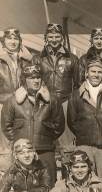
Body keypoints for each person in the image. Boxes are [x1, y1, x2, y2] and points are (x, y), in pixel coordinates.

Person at [67, 58, 102, 192]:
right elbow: (72, 121)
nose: (96, 75)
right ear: (86, 73)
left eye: (99, 72)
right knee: (86, 181)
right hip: (85, 145)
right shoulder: (75, 96)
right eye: (93, 71)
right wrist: (85, 135)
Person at [1, 64, 64, 182]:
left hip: (46, 151)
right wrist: (20, 142)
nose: (36, 80)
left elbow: (59, 125)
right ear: (24, 80)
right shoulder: (12, 101)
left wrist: (45, 138)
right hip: (23, 153)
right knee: (24, 186)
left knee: (49, 186)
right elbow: (6, 125)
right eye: (31, 78)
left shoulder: (52, 100)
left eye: (38, 77)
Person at [32, 23, 80, 167]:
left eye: (57, 36)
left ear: (62, 38)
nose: (54, 39)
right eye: (51, 36)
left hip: (65, 102)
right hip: (44, 103)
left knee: (67, 145)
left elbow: (78, 84)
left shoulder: (72, 58)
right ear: (46, 38)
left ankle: (68, 176)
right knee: (42, 139)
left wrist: (72, 103)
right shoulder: (37, 58)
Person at [0, 28, 34, 174]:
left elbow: (32, 81)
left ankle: (24, 177)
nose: (12, 42)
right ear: (3, 42)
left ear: (20, 42)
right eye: (9, 39)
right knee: (6, 144)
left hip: (22, 105)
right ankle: (6, 178)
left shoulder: (26, 60)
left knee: (23, 140)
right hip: (2, 104)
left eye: (16, 39)